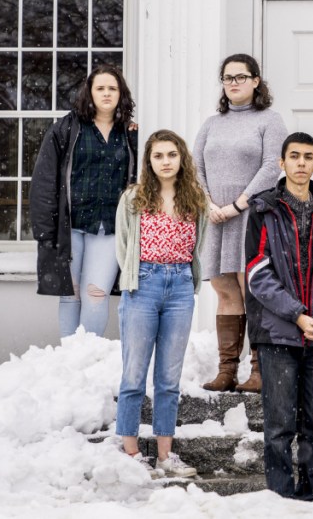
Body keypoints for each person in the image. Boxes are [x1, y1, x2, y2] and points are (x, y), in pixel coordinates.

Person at [245, 132, 313, 504]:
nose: (301, 162)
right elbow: (258, 274)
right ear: (282, 162)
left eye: (308, 157)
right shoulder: (264, 210)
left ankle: (312, 496)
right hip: (277, 333)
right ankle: (280, 499)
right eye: (294, 156)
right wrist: (297, 315)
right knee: (279, 425)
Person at [114, 129, 208, 478]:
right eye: (158, 156)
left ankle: (166, 456)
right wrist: (136, 279)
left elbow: (199, 244)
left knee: (168, 378)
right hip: (144, 285)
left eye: (171, 155)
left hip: (180, 287)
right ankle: (131, 453)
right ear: (148, 161)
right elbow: (124, 246)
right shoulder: (134, 198)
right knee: (134, 374)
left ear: (181, 158)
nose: (165, 162)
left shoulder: (195, 198)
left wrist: (186, 278)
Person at [194, 53, 287, 393]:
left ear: (255, 81)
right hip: (215, 216)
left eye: (241, 76)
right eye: (228, 77)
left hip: (251, 214)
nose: (233, 82)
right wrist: (209, 203)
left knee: (253, 290)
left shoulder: (269, 120)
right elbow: (196, 167)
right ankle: (226, 371)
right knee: (225, 290)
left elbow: (271, 167)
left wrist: (236, 205)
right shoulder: (212, 123)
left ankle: (259, 370)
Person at [30, 65, 138, 337]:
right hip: (70, 225)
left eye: (112, 88)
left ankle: (90, 358)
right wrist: (45, 230)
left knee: (96, 294)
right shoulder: (66, 128)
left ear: (120, 94)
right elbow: (44, 180)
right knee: (71, 293)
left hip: (109, 227)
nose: (106, 93)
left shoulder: (128, 132)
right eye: (100, 88)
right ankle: (70, 361)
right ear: (89, 93)